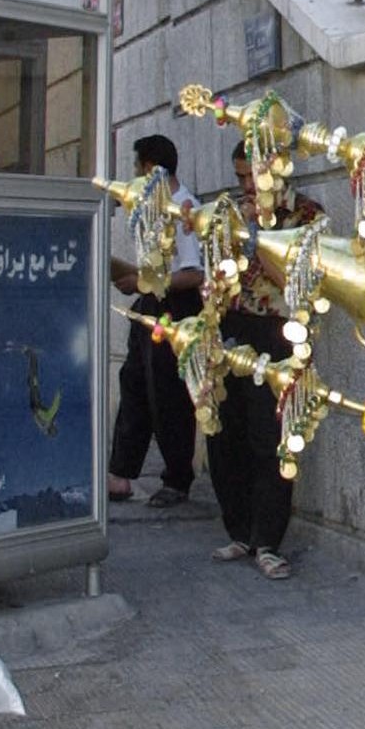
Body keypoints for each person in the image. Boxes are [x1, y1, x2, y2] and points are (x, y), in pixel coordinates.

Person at [203, 140, 326, 581]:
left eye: (250, 178)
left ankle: (269, 539)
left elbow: (301, 284)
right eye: (238, 179)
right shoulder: (231, 213)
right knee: (224, 431)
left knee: (269, 435)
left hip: (277, 329)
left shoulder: (307, 217)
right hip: (232, 324)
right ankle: (239, 530)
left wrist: (261, 241)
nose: (244, 188)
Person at [107, 134, 204, 507]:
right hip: (150, 303)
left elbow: (193, 274)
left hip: (176, 309)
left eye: (137, 167)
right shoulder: (153, 207)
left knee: (168, 395)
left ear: (151, 169)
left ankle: (177, 478)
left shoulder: (185, 210)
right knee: (133, 382)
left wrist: (144, 282)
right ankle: (121, 473)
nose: (134, 175)